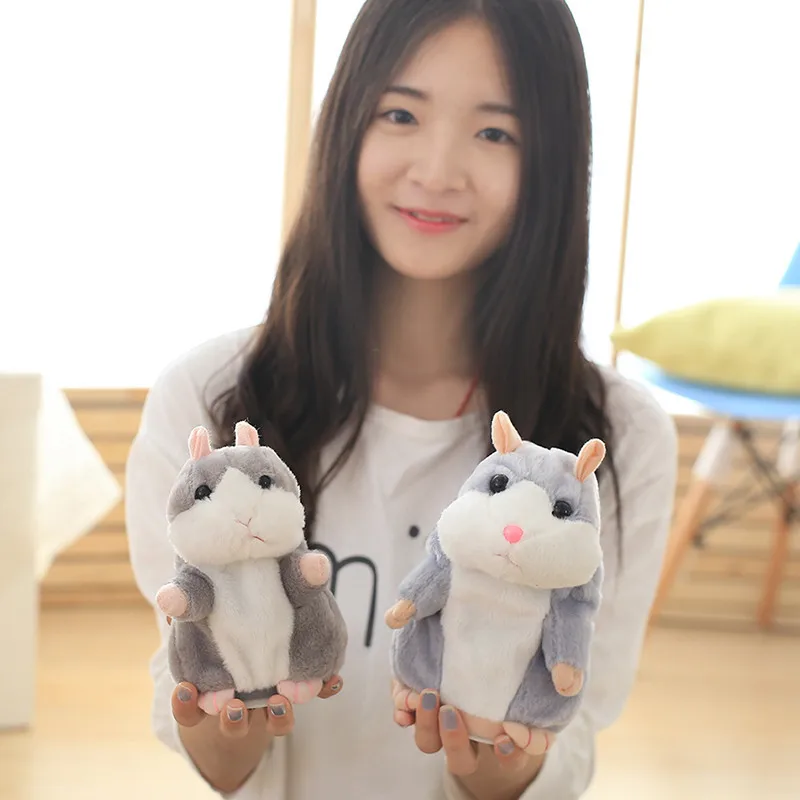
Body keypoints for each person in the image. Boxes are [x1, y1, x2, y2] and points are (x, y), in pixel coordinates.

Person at [125, 0, 678, 797]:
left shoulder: (619, 436)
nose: (438, 169)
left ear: (554, 161)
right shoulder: (208, 398)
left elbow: (575, 727)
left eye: (496, 132)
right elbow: (202, 724)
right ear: (347, 123)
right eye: (401, 114)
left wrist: (505, 763)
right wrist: (217, 728)